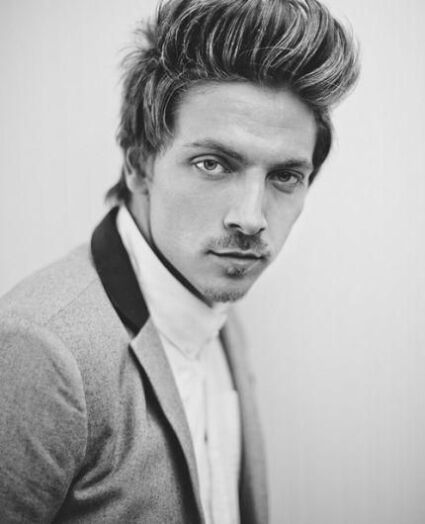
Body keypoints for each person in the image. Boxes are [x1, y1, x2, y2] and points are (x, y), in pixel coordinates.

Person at [0, 0, 359, 522]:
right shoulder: (40, 351)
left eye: (284, 176)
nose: (251, 219)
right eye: (213, 164)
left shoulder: (215, 301)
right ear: (139, 164)